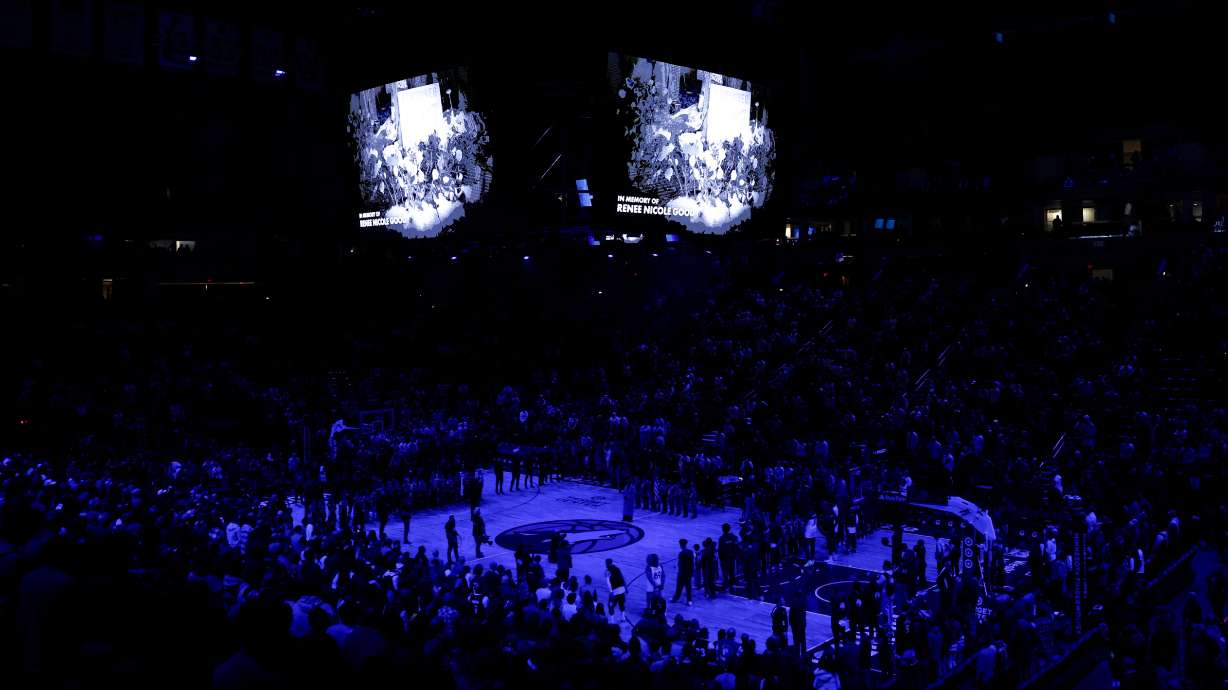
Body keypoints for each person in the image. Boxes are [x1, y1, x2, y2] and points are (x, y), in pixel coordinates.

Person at [672, 539, 694, 605]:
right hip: (689, 572)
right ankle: (689, 600)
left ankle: (676, 598)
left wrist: (679, 571)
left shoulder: (681, 553)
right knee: (688, 586)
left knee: (679, 586)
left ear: (681, 545)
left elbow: (680, 564)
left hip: (682, 572)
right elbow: (692, 563)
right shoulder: (690, 552)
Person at [718, 523, 738, 591]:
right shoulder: (734, 537)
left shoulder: (722, 538)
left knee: (725, 573)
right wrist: (735, 555)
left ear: (723, 529)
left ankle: (726, 586)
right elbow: (736, 547)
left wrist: (721, 558)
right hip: (732, 558)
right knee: (732, 572)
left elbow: (720, 549)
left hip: (725, 559)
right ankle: (732, 585)